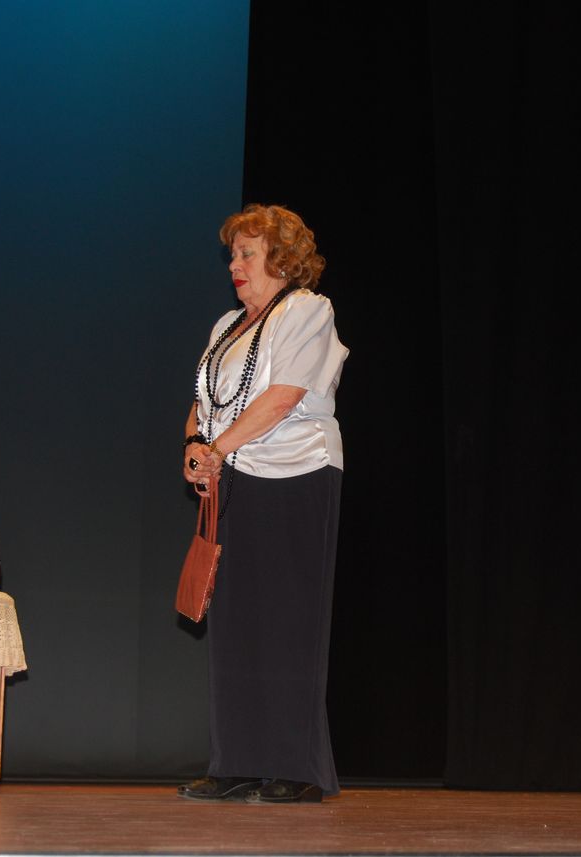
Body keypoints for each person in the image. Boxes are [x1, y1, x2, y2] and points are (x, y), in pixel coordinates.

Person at [177, 204, 349, 804]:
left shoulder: (307, 310)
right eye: (233, 254)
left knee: (288, 622)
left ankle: (295, 769)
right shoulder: (227, 325)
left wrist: (216, 449)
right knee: (234, 622)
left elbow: (283, 397)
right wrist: (195, 448)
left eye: (247, 253)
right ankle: (236, 764)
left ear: (281, 259)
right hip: (237, 478)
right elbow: (202, 400)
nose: (235, 264)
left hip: (298, 475)